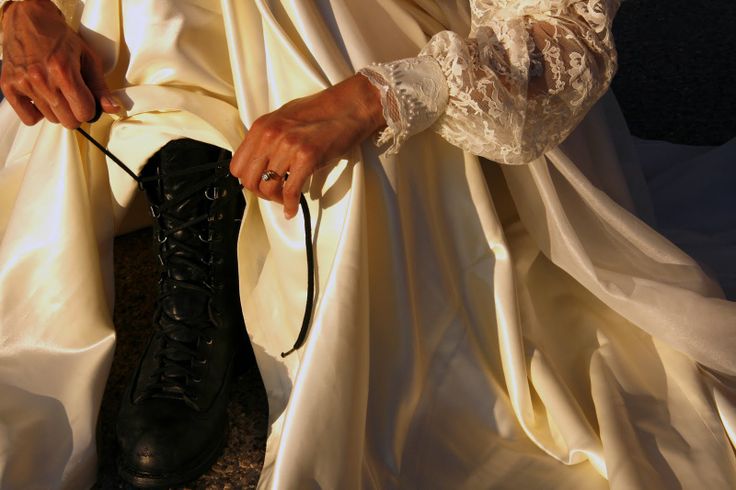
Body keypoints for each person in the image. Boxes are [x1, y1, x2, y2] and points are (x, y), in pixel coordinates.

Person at [1, 1, 734, 490]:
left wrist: (374, 97)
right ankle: (196, 211)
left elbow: (563, 33)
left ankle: (223, 211)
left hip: (393, 48)